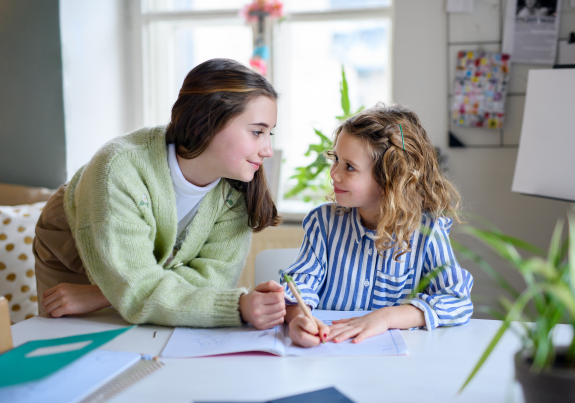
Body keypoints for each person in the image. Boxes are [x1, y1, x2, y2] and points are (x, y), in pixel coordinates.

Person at [33, 58, 287, 330]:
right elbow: (139, 292)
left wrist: (106, 294)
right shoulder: (119, 169)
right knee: (73, 347)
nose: (268, 150)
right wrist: (237, 306)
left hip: (145, 273)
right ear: (205, 123)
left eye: (270, 133)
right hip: (76, 253)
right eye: (257, 132)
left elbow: (211, 282)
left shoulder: (237, 188)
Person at [282, 104, 474, 347]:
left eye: (349, 167)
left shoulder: (428, 231)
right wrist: (300, 318)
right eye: (336, 160)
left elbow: (457, 301)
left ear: (390, 180)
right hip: (330, 350)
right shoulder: (324, 223)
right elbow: (299, 287)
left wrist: (387, 316)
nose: (334, 174)